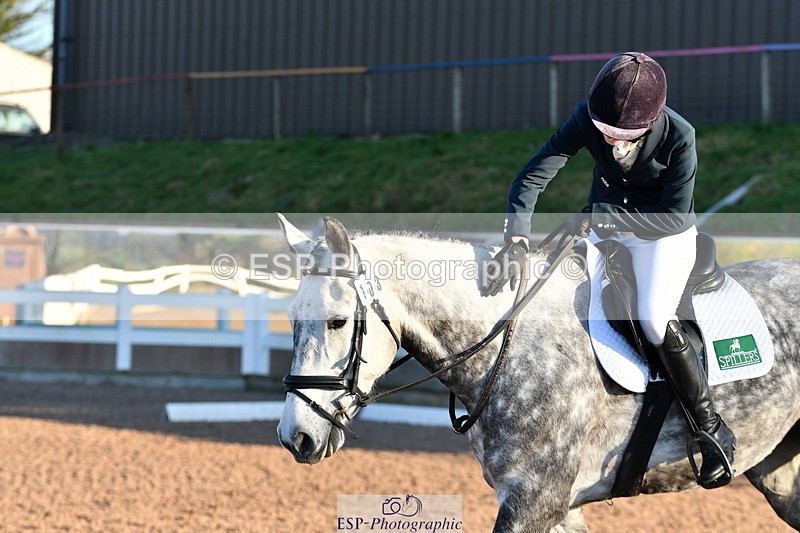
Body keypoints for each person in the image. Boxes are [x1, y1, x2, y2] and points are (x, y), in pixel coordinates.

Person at [481, 52, 736, 489]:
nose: (613, 143)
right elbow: (532, 176)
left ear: (652, 121)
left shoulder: (681, 136)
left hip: (662, 235)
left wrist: (606, 219)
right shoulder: (586, 116)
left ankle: (710, 427)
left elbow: (674, 218)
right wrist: (517, 239)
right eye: (605, 132)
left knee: (654, 317)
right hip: (604, 222)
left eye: (625, 135)